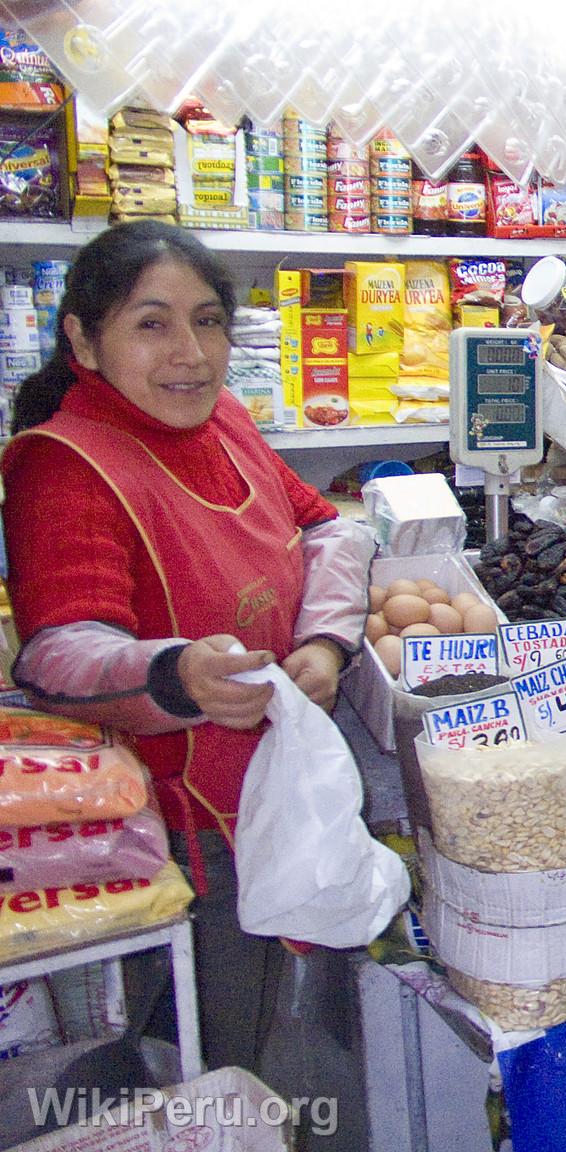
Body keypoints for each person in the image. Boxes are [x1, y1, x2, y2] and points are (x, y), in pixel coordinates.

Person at [1, 221, 373, 1139]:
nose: (190, 354)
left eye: (207, 323)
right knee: (215, 1047)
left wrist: (324, 643)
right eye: (152, 325)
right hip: (178, 819)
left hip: (273, 779)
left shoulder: (228, 422)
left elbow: (330, 529)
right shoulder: (65, 464)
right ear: (84, 342)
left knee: (287, 1031)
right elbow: (57, 655)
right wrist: (175, 674)